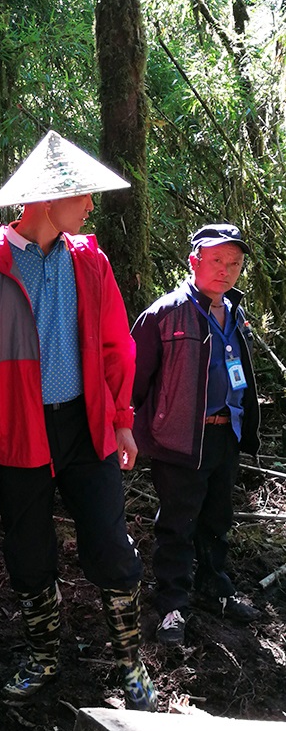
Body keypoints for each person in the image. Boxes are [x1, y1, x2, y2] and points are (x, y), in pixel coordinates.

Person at [0, 130, 157, 712]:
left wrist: (121, 419)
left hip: (86, 428)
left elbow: (117, 346)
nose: (90, 205)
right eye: (81, 194)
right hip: (18, 434)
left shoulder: (90, 261)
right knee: (29, 550)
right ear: (44, 200)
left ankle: (131, 663)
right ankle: (41, 656)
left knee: (111, 544)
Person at [131, 223, 260, 645]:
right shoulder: (165, 314)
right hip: (181, 440)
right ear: (194, 262)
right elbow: (134, 381)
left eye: (234, 263)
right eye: (217, 260)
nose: (225, 270)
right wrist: (131, 432)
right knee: (178, 523)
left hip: (226, 435)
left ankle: (214, 587)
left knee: (217, 519)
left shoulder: (236, 314)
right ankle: (171, 605)